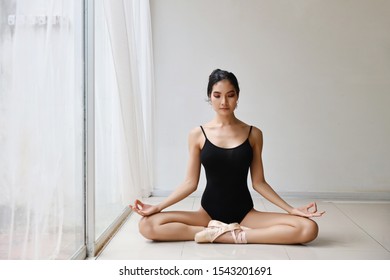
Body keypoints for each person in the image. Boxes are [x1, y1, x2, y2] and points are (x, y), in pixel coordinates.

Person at [130, 69, 325, 244]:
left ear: (237, 97)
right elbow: (190, 182)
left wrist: (290, 209)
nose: (224, 102)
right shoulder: (197, 134)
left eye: (230, 95)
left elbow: (259, 183)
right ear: (210, 97)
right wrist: (158, 207)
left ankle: (229, 235)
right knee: (146, 225)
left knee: (308, 228)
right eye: (217, 95)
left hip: (246, 214)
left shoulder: (253, 133)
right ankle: (219, 231)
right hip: (207, 214)